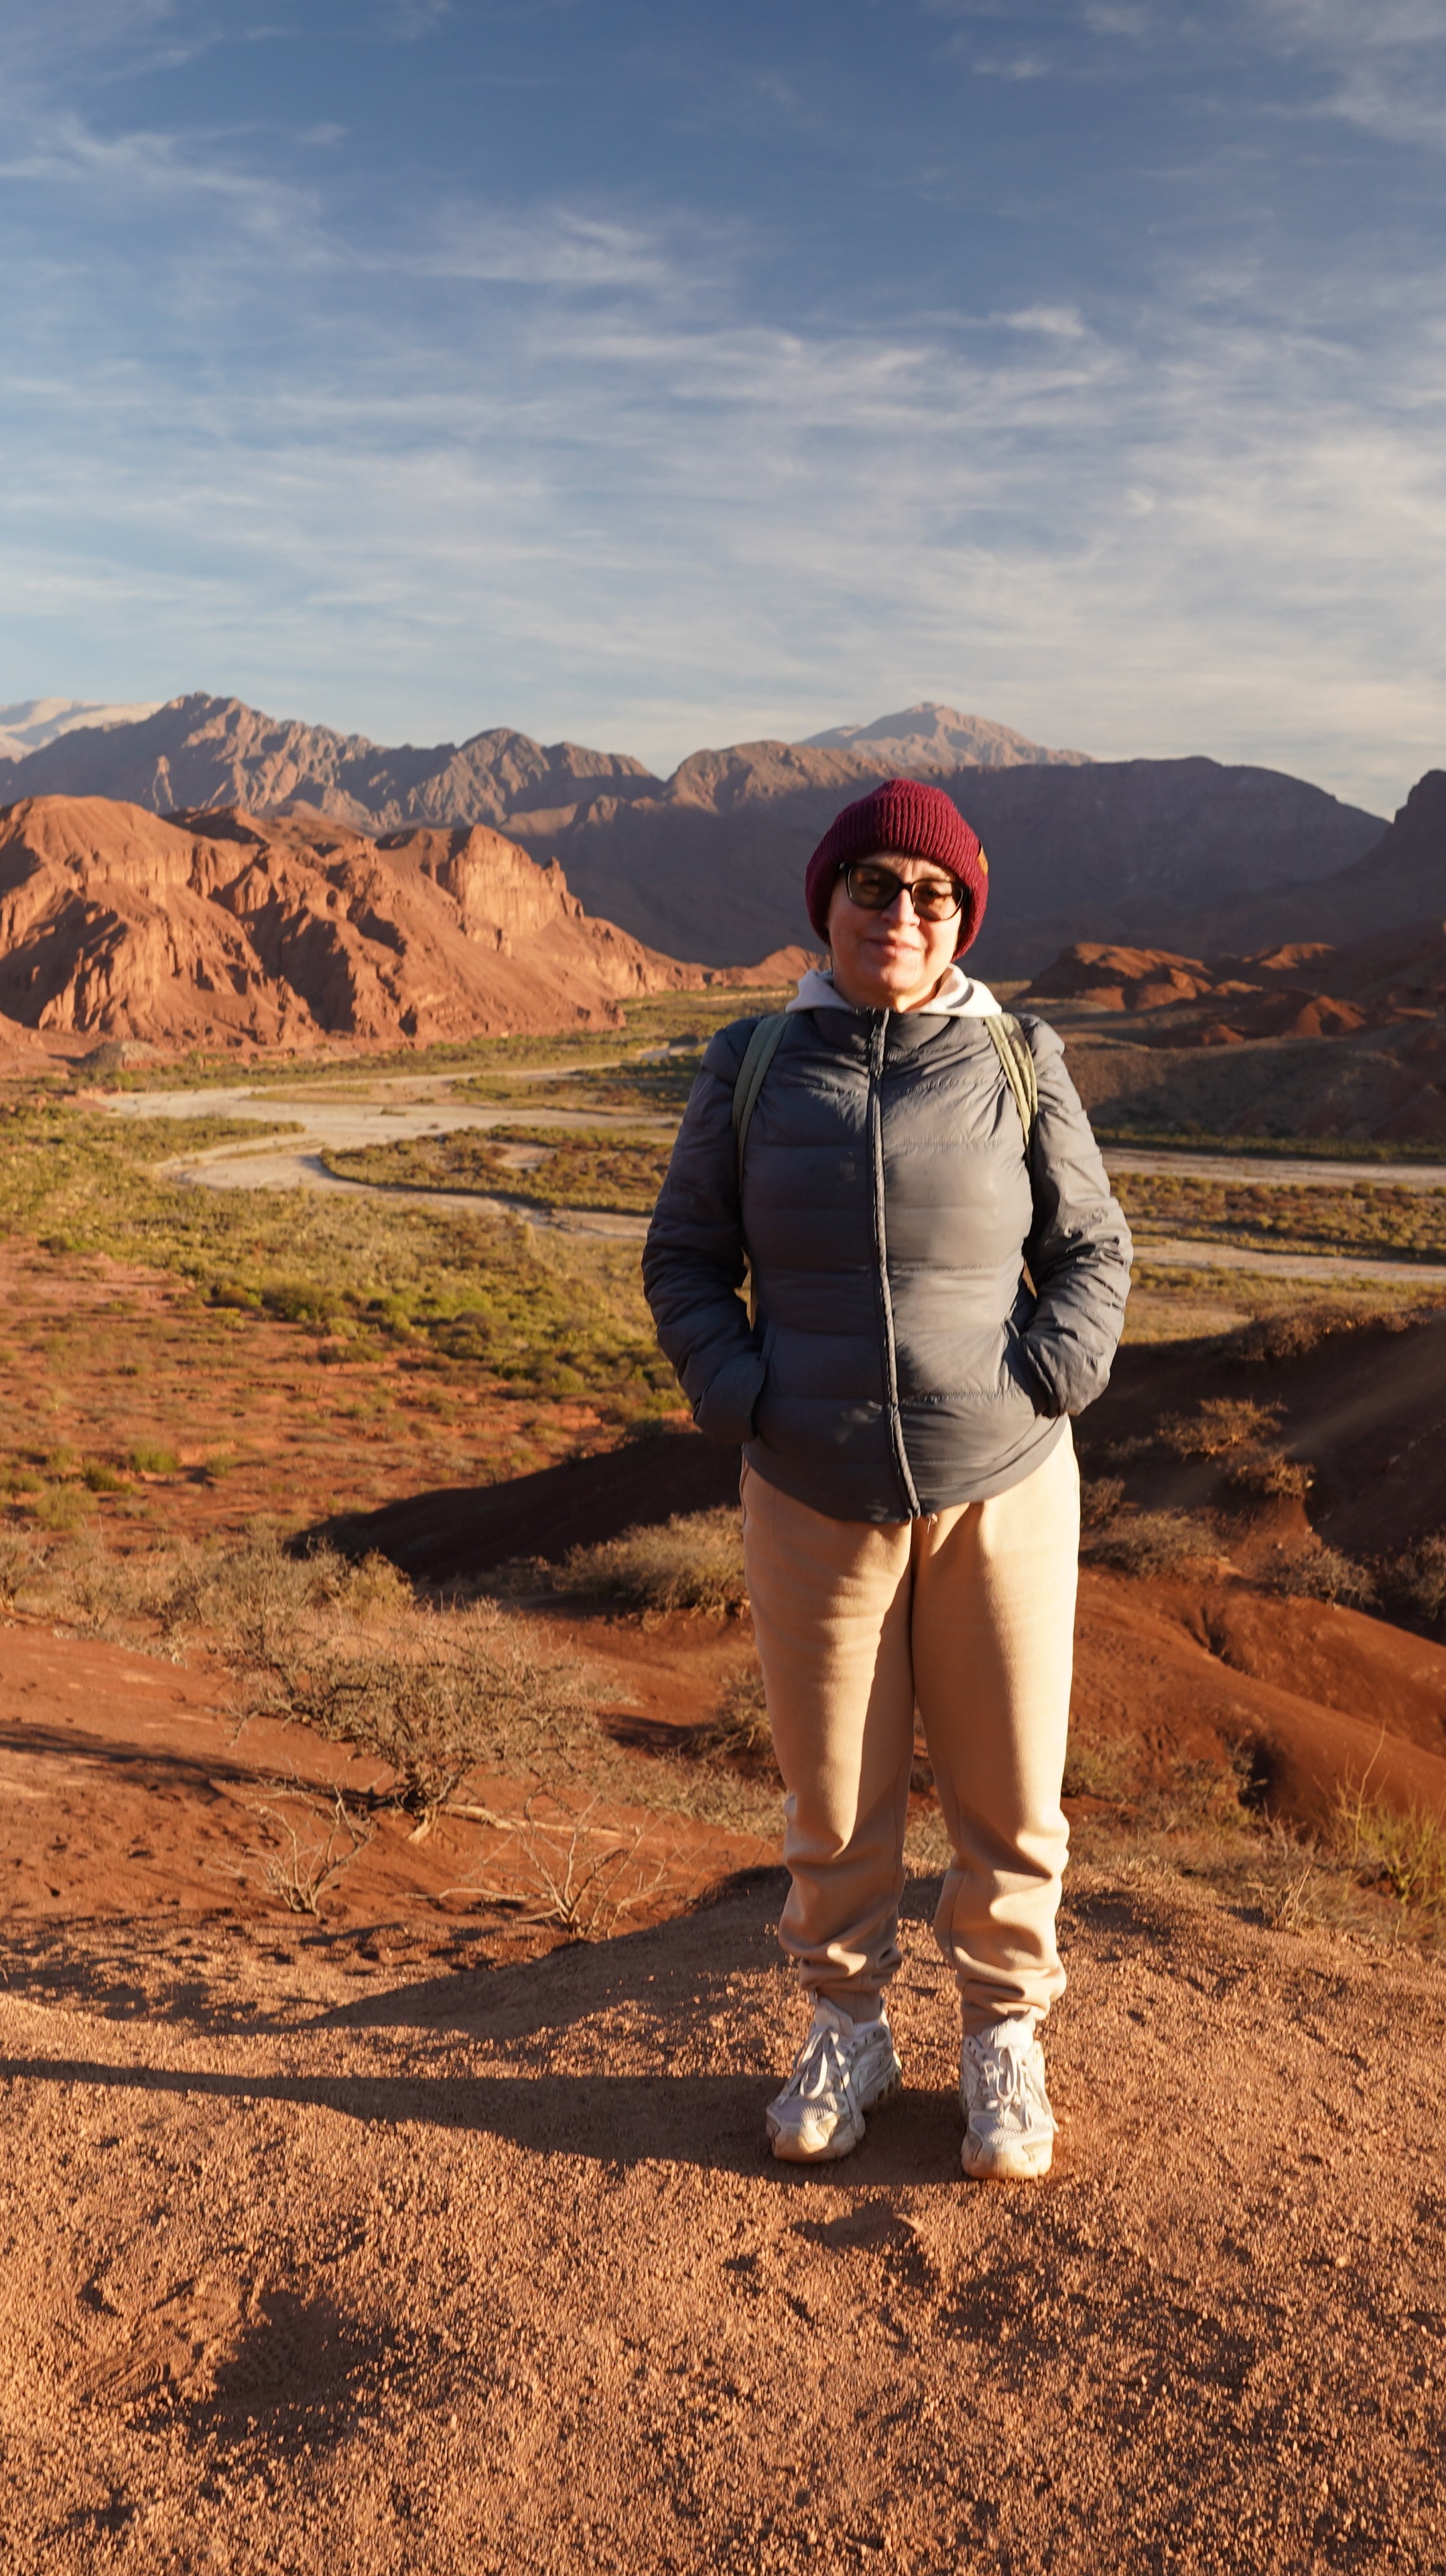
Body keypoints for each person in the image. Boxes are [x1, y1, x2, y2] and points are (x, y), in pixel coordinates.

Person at [641, 778, 1132, 2181]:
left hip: (1006, 1485)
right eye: (875, 884)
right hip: (810, 1485)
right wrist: (747, 1396)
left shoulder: (1017, 1056)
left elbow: (1094, 1252)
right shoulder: (752, 1061)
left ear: (962, 915)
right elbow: (684, 1257)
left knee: (1011, 1786)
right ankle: (848, 2026)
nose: (901, 913)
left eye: (932, 893)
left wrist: (1041, 1381)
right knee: (834, 1788)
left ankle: (1002, 2036)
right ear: (830, 900)